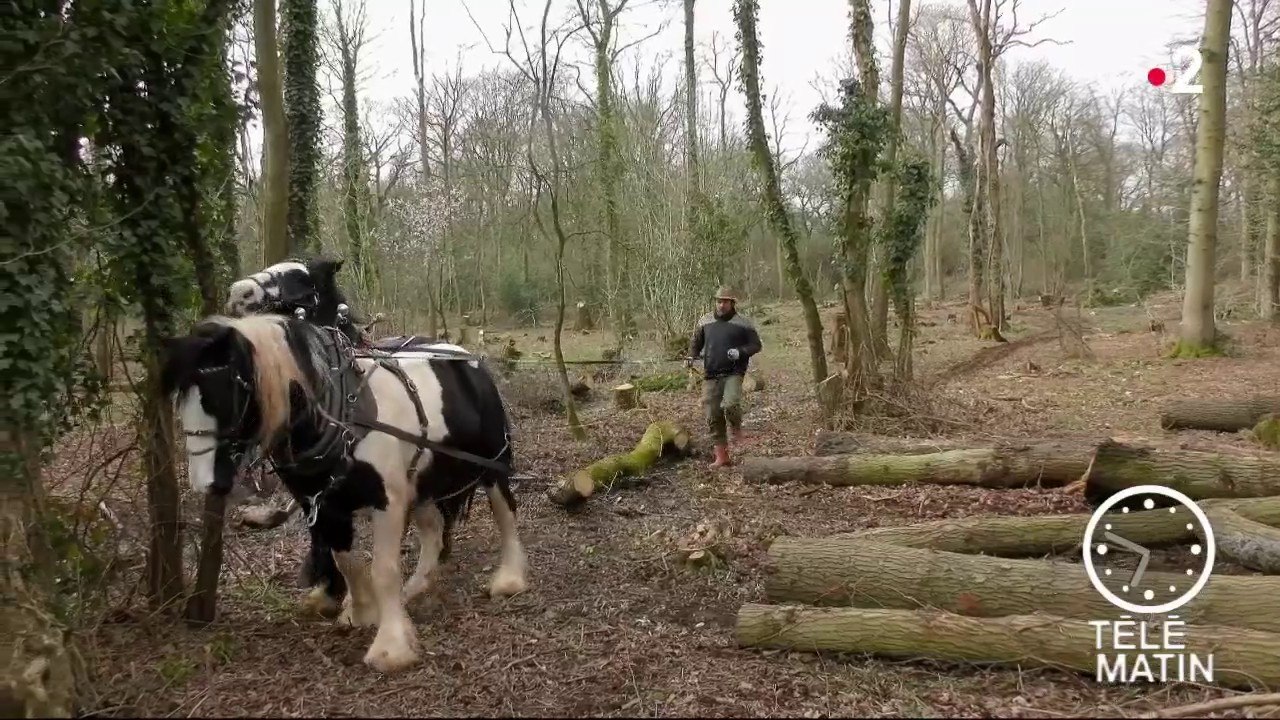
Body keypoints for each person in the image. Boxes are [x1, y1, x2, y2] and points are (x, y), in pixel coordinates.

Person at [688, 286, 763, 468]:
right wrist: (691, 356)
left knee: (731, 404)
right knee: (712, 414)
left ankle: (736, 429)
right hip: (711, 373)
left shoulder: (743, 323)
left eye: (725, 301)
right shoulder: (705, 321)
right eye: (719, 301)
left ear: (732, 303)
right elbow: (696, 344)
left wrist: (740, 352)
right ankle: (722, 456)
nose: (721, 305)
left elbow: (756, 345)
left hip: (734, 372)